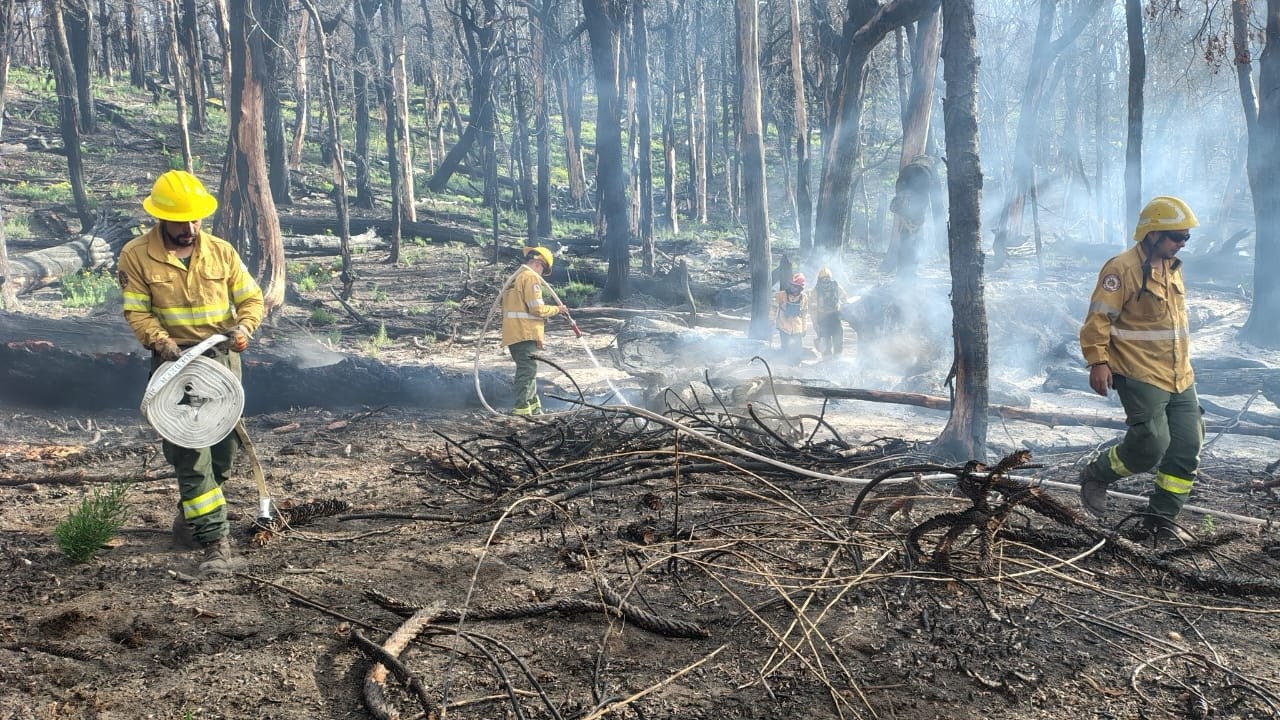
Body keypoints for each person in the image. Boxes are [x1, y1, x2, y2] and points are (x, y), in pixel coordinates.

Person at [118, 169, 264, 574]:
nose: (190, 228)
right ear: (161, 217)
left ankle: (190, 520)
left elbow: (251, 299)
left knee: (222, 455)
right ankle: (216, 544)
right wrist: (160, 341)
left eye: (195, 219)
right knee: (190, 456)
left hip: (221, 364)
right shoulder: (135, 255)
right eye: (181, 221)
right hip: (174, 367)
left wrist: (244, 328)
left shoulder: (221, 252)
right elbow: (137, 311)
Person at [1077, 195, 1202, 543]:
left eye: (1186, 238)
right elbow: (1098, 318)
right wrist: (1098, 361)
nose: (1182, 244)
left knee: (1187, 446)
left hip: (1180, 374)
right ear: (1151, 234)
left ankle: (1161, 521)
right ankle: (1097, 474)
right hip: (1138, 371)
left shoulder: (1172, 268)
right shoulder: (1121, 270)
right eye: (1176, 236)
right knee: (1151, 443)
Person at [501, 246, 566, 415]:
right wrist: (557, 310)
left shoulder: (516, 278)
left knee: (530, 369)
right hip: (525, 333)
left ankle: (533, 405)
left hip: (515, 333)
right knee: (527, 370)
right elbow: (537, 309)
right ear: (538, 263)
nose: (542, 274)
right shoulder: (530, 278)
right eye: (543, 269)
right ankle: (521, 409)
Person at [810, 268, 848, 359]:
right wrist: (815, 323)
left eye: (827, 279)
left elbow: (844, 298)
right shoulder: (815, 291)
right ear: (819, 280)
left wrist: (843, 310)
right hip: (822, 318)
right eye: (824, 280)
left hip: (835, 317)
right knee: (825, 342)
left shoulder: (836, 286)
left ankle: (838, 358)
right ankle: (826, 361)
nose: (826, 282)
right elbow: (813, 309)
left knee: (838, 339)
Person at [770, 272, 808, 362]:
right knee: (786, 351)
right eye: (792, 285)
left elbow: (804, 314)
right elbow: (773, 308)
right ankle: (784, 370)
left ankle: (796, 370)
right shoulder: (781, 295)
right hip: (784, 327)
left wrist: (804, 328)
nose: (793, 288)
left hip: (797, 328)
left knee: (797, 353)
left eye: (796, 286)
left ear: (800, 287)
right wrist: (771, 320)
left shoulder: (804, 297)